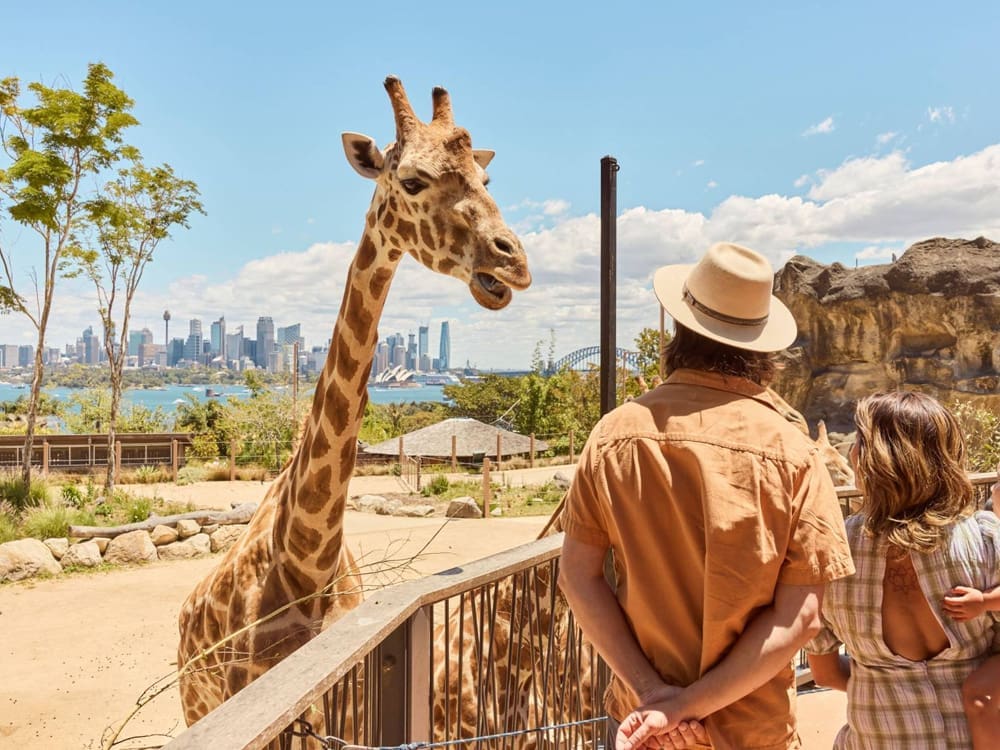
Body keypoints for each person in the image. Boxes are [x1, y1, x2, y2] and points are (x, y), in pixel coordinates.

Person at [558, 242, 855, 750]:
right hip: (752, 728)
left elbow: (578, 578)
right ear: (763, 347)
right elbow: (802, 617)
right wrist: (687, 706)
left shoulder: (615, 434)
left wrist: (656, 698)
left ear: (680, 329)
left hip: (642, 726)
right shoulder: (792, 450)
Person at [806, 392, 1000, 748]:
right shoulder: (985, 540)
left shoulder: (832, 549)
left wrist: (884, 685)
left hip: (878, 737)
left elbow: (824, 672)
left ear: (866, 459)